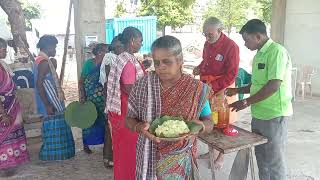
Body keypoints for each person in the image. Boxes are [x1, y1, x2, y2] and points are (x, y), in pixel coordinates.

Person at [126, 35, 214, 179]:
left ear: (180, 61)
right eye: (157, 62)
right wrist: (138, 127)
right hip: (149, 156)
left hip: (182, 159)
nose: (161, 67)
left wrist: (202, 126)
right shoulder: (143, 85)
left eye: (167, 62)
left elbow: (209, 122)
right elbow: (129, 119)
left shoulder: (196, 88)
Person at [227, 19, 292, 180]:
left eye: (246, 40)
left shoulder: (277, 51)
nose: (245, 45)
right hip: (259, 115)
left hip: (274, 115)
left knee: (274, 160)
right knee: (261, 157)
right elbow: (256, 84)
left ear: (258, 36)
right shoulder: (259, 56)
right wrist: (237, 90)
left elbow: (274, 85)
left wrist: (246, 101)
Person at [193, 16, 240, 168]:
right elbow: (206, 61)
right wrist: (200, 67)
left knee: (223, 122)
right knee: (209, 120)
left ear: (220, 31)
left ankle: (221, 156)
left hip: (222, 88)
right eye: (205, 34)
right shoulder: (207, 44)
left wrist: (214, 87)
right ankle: (211, 151)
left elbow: (232, 74)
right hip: (208, 86)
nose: (207, 37)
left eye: (210, 35)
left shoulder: (231, 46)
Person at [105, 27, 145, 180]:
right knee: (129, 152)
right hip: (126, 110)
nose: (141, 44)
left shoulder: (122, 57)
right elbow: (129, 87)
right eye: (140, 41)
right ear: (133, 40)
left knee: (122, 151)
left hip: (119, 109)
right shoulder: (128, 61)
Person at [34, 35, 75, 161]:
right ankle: (56, 154)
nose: (55, 49)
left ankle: (55, 153)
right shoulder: (44, 63)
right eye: (54, 46)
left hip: (46, 97)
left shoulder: (40, 60)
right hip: (49, 99)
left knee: (52, 127)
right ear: (48, 46)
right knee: (54, 126)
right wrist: (47, 104)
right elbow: (39, 84)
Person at [0, 38, 30, 177]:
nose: (6, 51)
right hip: (4, 107)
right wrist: (3, 113)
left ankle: (12, 161)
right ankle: (5, 166)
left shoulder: (2, 65)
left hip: (11, 104)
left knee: (13, 133)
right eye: (4, 49)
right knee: (5, 135)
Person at [99, 36, 125, 168]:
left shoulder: (114, 57)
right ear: (117, 45)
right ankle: (110, 159)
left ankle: (109, 158)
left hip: (113, 97)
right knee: (111, 129)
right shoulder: (111, 57)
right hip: (112, 97)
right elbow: (110, 81)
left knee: (111, 129)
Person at [79, 43, 108, 155]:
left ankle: (105, 143)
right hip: (90, 97)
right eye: (106, 51)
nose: (108, 53)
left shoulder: (107, 64)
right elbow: (81, 81)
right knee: (88, 120)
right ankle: (86, 144)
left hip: (102, 98)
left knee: (103, 120)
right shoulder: (88, 64)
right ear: (100, 52)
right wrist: (82, 96)